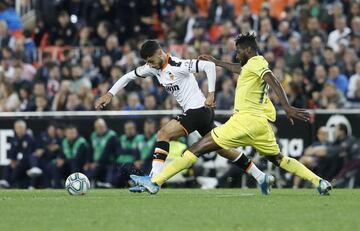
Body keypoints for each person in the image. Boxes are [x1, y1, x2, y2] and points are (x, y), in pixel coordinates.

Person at [130, 33, 332, 195]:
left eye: (238, 52)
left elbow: (272, 79)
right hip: (260, 125)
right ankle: (319, 182)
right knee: (278, 158)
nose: (236, 55)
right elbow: (240, 69)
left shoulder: (258, 62)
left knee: (196, 149)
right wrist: (216, 62)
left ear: (248, 50)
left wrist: (287, 106)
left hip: (244, 120)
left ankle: (155, 181)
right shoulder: (251, 66)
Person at [95, 40, 273, 195]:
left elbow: (208, 66)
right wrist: (110, 94)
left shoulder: (177, 65)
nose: (150, 65)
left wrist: (211, 94)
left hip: (199, 111)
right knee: (222, 149)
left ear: (159, 53)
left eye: (151, 60)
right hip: (199, 114)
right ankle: (261, 176)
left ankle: (154, 180)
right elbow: (128, 76)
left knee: (163, 134)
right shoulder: (153, 68)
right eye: (147, 62)